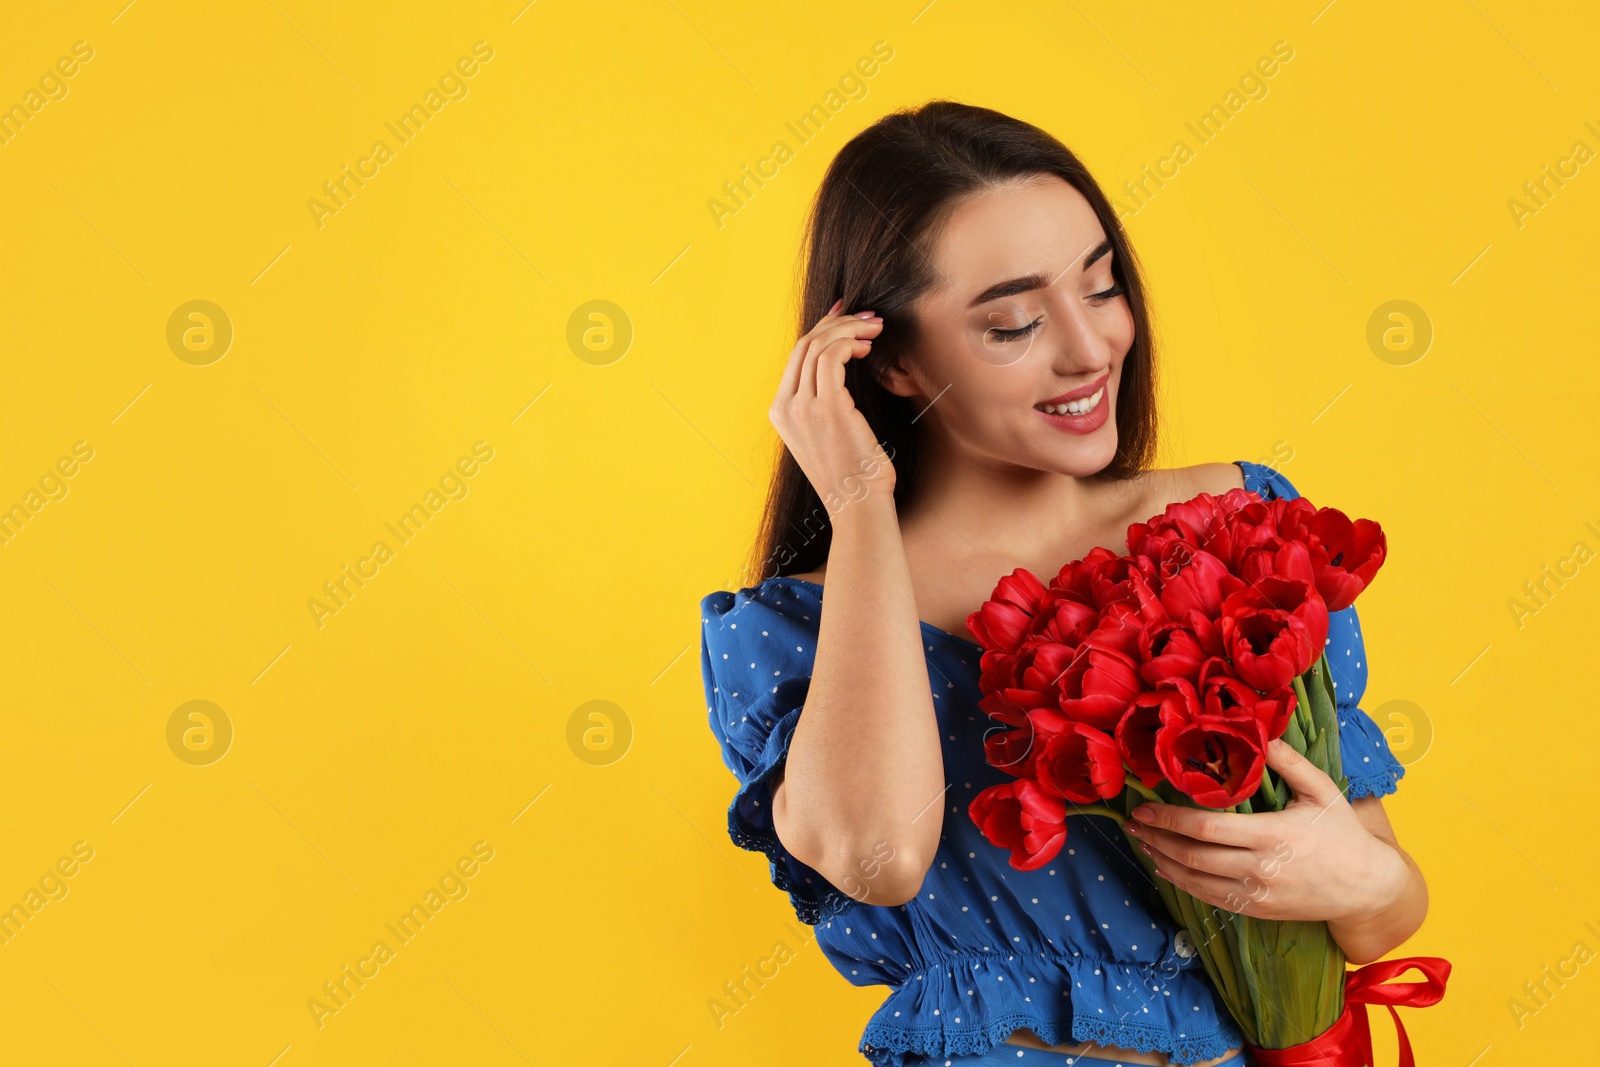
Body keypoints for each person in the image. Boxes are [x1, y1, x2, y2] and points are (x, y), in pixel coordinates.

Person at [698, 101, 1427, 1067]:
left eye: (1102, 286)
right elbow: (880, 858)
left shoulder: (1237, 528)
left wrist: (1366, 884)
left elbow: (1377, 918)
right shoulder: (794, 624)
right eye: (1013, 323)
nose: (1090, 351)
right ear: (897, 361)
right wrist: (859, 501)